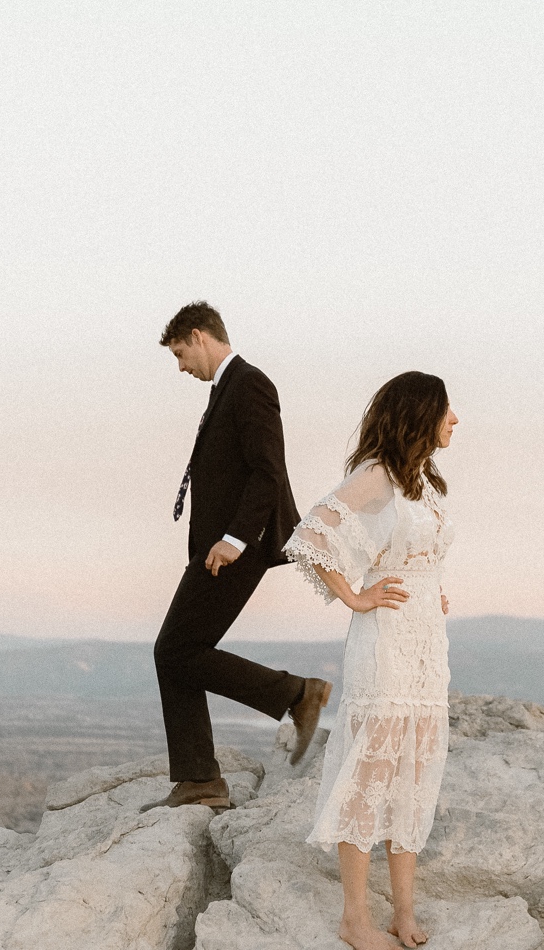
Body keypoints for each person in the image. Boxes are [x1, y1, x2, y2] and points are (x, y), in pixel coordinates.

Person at [283, 371, 459, 950]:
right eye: (446, 411)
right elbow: (312, 530)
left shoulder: (423, 483)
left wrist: (429, 587)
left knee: (413, 771)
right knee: (372, 773)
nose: (455, 421)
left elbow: (412, 551)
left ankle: (404, 912)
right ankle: (355, 918)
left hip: (426, 644)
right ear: (419, 415)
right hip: (384, 644)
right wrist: (355, 595)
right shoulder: (376, 476)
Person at [142, 301, 333, 814]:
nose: (181, 366)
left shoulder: (249, 384)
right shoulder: (225, 388)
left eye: (181, 354)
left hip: (233, 549)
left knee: (174, 651)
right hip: (218, 549)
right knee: (178, 653)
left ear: (200, 337)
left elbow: (268, 469)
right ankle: (200, 777)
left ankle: (296, 695)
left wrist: (235, 539)